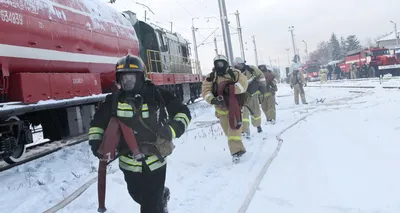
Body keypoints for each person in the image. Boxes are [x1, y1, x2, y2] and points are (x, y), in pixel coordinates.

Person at [88, 54, 191, 213]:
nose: (127, 81)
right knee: (138, 196)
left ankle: (158, 201)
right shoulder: (112, 100)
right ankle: (162, 196)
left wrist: (171, 130)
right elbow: (97, 125)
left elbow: (183, 112)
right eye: (123, 77)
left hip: (155, 160)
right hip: (128, 163)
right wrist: (96, 143)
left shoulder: (157, 95)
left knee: (149, 206)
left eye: (131, 77)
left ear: (141, 77)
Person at [202, 54, 248, 162]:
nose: (220, 65)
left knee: (234, 131)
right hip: (221, 110)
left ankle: (235, 153)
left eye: (221, 63)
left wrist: (231, 90)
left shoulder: (235, 74)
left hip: (235, 108)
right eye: (217, 63)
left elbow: (243, 85)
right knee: (229, 133)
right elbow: (206, 91)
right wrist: (213, 100)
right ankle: (240, 149)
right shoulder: (211, 77)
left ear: (226, 63)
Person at [233, 57, 266, 138]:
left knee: (256, 112)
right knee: (244, 115)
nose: (240, 67)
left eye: (241, 64)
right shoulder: (233, 73)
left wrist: (263, 87)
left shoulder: (251, 69)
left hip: (253, 94)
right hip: (241, 96)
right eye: (238, 65)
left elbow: (261, 75)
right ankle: (245, 131)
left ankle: (258, 125)